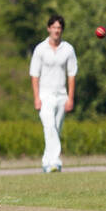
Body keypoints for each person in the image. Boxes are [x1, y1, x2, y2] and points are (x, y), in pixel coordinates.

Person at [29, 14, 77, 172]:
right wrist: (36, 98)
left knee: (56, 128)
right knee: (49, 126)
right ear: (48, 28)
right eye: (54, 27)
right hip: (45, 95)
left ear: (62, 30)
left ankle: (46, 162)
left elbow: (71, 75)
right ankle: (55, 162)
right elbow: (34, 75)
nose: (57, 30)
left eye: (59, 28)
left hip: (61, 94)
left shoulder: (68, 49)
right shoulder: (40, 49)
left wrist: (70, 98)